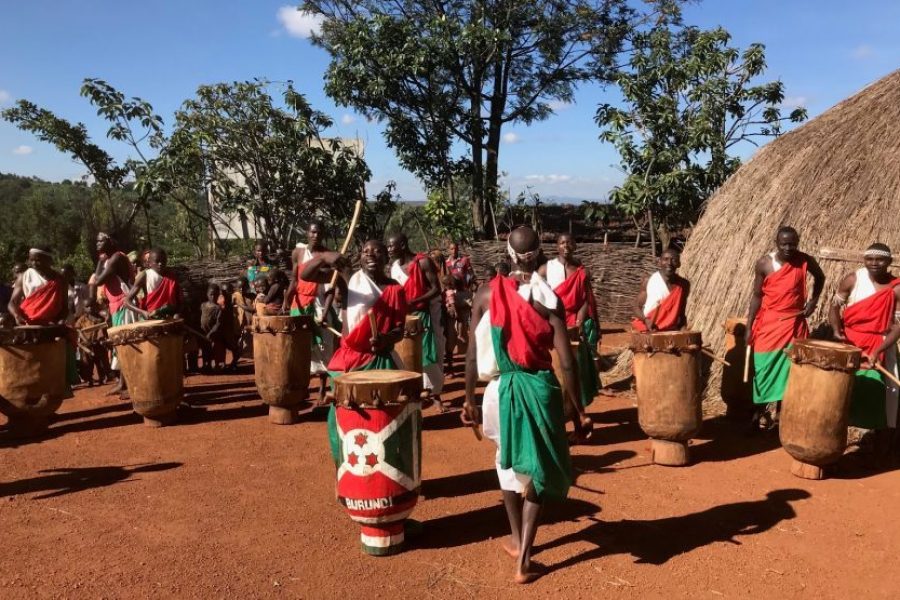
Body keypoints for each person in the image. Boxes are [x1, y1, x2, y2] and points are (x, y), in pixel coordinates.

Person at [461, 226, 578, 584]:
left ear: (508, 254)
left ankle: (516, 539)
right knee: (538, 471)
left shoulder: (485, 294)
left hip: (498, 391)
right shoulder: (548, 299)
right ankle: (524, 559)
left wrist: (468, 398)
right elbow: (567, 362)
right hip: (538, 389)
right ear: (539, 253)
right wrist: (579, 409)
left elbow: (470, 355)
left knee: (506, 463)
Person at [746, 226, 825, 429]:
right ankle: (758, 414)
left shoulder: (804, 260)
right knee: (763, 368)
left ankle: (782, 417)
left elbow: (820, 277)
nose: (789, 248)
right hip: (770, 324)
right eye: (784, 244)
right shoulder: (764, 263)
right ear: (777, 243)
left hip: (794, 324)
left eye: (793, 244)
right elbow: (757, 296)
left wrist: (813, 302)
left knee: (790, 370)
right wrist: (749, 326)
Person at [829, 243, 900, 449]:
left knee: (882, 390)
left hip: (881, 344)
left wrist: (878, 350)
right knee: (843, 389)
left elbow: (898, 326)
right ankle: (836, 437)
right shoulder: (853, 279)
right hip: (850, 344)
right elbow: (834, 307)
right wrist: (836, 329)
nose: (874, 263)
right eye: (870, 259)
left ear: (889, 262)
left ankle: (874, 439)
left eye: (880, 259)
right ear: (864, 260)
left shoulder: (896, 288)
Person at [301, 240, 407, 374]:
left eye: (377, 251)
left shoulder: (395, 289)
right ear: (361, 259)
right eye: (365, 252)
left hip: (381, 360)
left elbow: (399, 331)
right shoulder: (347, 279)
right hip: (350, 360)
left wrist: (385, 339)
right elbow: (305, 275)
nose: (370, 254)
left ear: (386, 258)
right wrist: (323, 257)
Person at [542, 234, 601, 434]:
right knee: (557, 371)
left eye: (569, 242)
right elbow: (538, 296)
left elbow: (585, 300)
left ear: (574, 245)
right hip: (553, 324)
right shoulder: (546, 269)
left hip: (574, 326)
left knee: (576, 371)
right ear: (556, 246)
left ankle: (578, 420)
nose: (566, 245)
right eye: (562, 242)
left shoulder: (581, 271)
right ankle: (558, 421)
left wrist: (580, 320)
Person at [284, 221, 339, 402]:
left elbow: (331, 289)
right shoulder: (298, 253)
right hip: (299, 305)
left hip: (320, 305)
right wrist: (287, 300)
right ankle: (303, 388)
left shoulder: (328, 256)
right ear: (307, 233)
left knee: (324, 348)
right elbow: (294, 280)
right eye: (313, 232)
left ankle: (322, 388)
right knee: (301, 348)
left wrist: (324, 313)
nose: (316, 236)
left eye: (319, 232)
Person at [388, 233, 445, 403]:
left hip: (426, 313)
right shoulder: (394, 268)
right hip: (404, 315)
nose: (389, 249)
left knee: (430, 353)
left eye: (392, 246)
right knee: (406, 354)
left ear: (403, 245)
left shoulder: (423, 262)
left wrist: (415, 302)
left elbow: (436, 289)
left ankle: (435, 394)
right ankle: (415, 391)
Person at [89, 233, 136, 395]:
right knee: (120, 345)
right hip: (116, 305)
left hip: (125, 304)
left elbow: (98, 280)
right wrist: (101, 260)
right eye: (96, 241)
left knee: (126, 343)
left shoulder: (116, 258)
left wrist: (100, 261)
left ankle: (130, 384)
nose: (97, 243)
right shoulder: (109, 259)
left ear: (109, 241)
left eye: (100, 241)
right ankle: (123, 383)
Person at [632, 248, 690, 332]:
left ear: (679, 264)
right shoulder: (649, 281)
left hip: (671, 329)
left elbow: (681, 311)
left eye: (673, 260)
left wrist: (683, 327)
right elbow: (636, 307)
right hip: (648, 328)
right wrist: (645, 320)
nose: (669, 263)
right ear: (659, 262)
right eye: (665, 259)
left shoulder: (684, 284)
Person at [8, 248, 67, 325]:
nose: (34, 263)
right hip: (28, 322)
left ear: (49, 260)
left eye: (38, 260)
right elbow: (12, 302)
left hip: (51, 324)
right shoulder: (24, 276)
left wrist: (61, 320)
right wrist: (16, 315)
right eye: (31, 260)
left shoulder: (60, 279)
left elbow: (65, 306)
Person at [123, 248, 182, 320]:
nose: (160, 264)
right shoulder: (144, 275)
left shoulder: (172, 276)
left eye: (163, 261)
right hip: (151, 317)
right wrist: (142, 312)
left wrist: (177, 314)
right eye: (157, 261)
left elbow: (179, 301)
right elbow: (127, 301)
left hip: (170, 318)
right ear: (149, 263)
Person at [200, 283, 226, 371]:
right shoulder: (203, 305)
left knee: (217, 349)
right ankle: (206, 364)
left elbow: (218, 323)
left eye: (215, 295)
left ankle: (218, 365)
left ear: (218, 295)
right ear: (207, 294)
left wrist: (211, 333)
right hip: (204, 333)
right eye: (211, 294)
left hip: (214, 334)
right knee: (205, 349)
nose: (213, 297)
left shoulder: (218, 308)